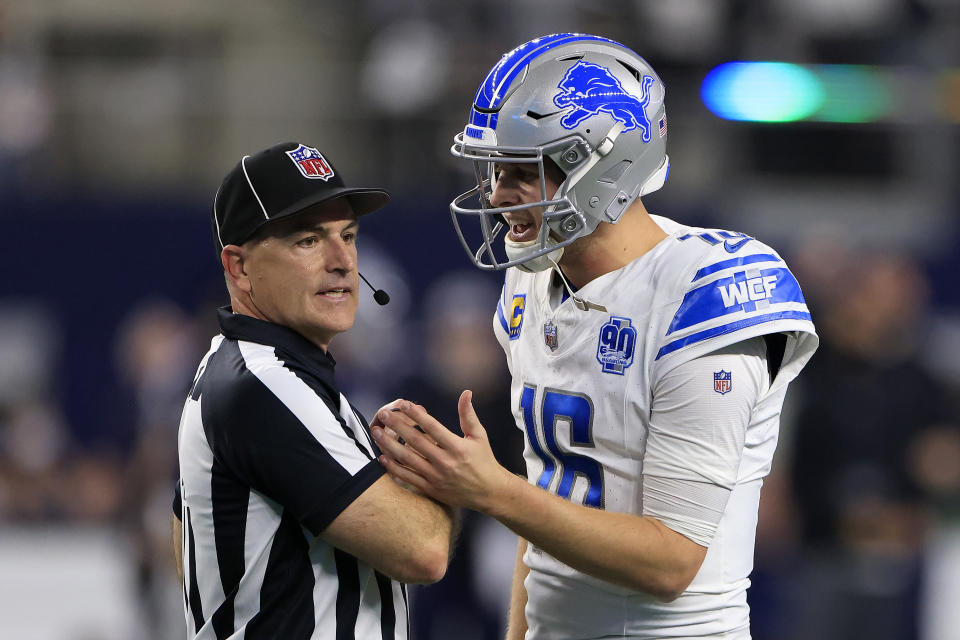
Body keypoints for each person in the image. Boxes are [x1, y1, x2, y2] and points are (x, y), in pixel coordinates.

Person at [372, 34, 819, 639]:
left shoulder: (701, 292)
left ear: (604, 165)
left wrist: (491, 491)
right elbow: (547, 502)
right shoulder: (530, 281)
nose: (498, 195)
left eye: (521, 172)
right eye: (493, 169)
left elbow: (669, 561)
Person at [172, 142, 456, 639]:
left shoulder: (245, 369)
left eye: (348, 235)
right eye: (308, 240)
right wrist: (446, 479)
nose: (343, 261)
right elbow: (424, 550)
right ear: (238, 268)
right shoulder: (262, 385)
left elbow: (185, 537)